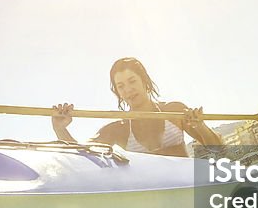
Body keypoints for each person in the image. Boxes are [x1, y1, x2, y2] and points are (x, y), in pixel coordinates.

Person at [52, 57, 222, 156]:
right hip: (150, 203)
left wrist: (201, 127)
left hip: (185, 193)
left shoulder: (175, 111)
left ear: (144, 81)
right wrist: (61, 130)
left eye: (132, 81)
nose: (128, 90)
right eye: (121, 86)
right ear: (118, 92)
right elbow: (83, 155)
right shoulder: (118, 129)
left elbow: (218, 149)